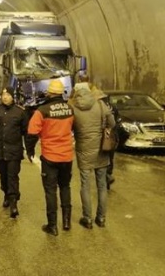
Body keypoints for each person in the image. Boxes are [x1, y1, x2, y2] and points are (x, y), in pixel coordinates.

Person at [26, 79, 74, 236]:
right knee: (65, 187)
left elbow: (32, 133)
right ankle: (67, 222)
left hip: (50, 157)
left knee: (50, 191)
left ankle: (52, 225)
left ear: (49, 93)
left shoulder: (42, 110)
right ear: (61, 93)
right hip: (67, 156)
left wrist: (30, 151)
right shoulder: (69, 109)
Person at [0, 87, 29, 218]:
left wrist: (29, 150)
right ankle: (6, 195)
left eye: (8, 95)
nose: (5, 97)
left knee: (12, 176)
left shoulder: (20, 112)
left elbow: (27, 133)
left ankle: (14, 203)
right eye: (3, 95)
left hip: (14, 151)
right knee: (3, 176)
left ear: (13, 96)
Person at [71, 88, 115, 229]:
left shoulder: (73, 107)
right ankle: (101, 218)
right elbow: (112, 123)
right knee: (101, 185)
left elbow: (69, 127)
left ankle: (87, 218)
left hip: (83, 148)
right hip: (101, 148)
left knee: (85, 185)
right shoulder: (101, 105)